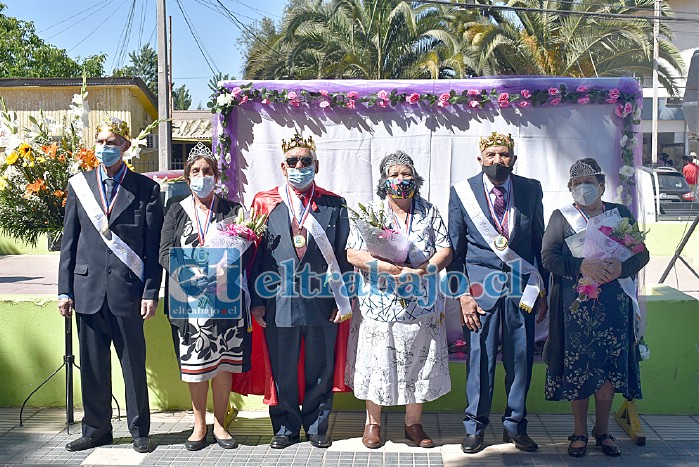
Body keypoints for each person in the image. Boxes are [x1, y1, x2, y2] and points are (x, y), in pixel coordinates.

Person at [57, 117, 163, 453]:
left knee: (133, 364)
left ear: (126, 147)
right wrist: (64, 289)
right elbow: (69, 243)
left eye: (112, 142)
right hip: (86, 290)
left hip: (128, 293)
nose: (105, 148)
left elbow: (151, 248)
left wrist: (150, 292)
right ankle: (96, 429)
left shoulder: (146, 189)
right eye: (101, 142)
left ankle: (139, 429)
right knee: (92, 366)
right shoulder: (80, 186)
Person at [248, 133, 352, 449]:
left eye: (306, 161)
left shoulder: (334, 204)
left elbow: (345, 255)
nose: (299, 166)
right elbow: (255, 257)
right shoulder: (266, 203)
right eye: (293, 161)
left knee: (320, 365)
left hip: (322, 299)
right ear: (283, 166)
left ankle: (318, 426)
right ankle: (285, 427)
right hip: (278, 299)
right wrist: (256, 301)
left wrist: (342, 299)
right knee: (283, 367)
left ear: (316, 165)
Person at [447, 132, 548, 454]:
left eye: (503, 154)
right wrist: (462, 295)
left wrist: (542, 289)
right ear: (480, 159)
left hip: (522, 289)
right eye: (490, 154)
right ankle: (475, 427)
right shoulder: (462, 193)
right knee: (480, 361)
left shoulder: (530, 189)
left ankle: (515, 426)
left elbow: (538, 241)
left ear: (513, 159)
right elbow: (454, 252)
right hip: (479, 291)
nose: (497, 160)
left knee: (521, 361)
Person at [345, 151, 453, 449]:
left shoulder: (429, 211)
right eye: (394, 174)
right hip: (379, 302)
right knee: (377, 359)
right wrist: (392, 269)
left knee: (419, 361)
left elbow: (445, 250)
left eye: (406, 174)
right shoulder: (369, 212)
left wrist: (421, 271)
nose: (400, 180)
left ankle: (413, 424)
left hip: (421, 302)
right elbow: (353, 253)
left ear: (415, 178)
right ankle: (373, 424)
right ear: (384, 180)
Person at [542, 158, 648, 458]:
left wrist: (622, 267)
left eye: (589, 182)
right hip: (576, 309)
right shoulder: (561, 218)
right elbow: (548, 257)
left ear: (602, 186)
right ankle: (579, 431)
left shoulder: (621, 215)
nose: (583, 188)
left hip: (614, 307)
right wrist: (580, 265)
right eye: (577, 184)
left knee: (607, 372)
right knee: (580, 370)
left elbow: (642, 254)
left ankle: (603, 431)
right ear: (569, 188)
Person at [158, 142, 251, 451]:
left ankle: (221, 424)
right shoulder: (175, 210)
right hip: (188, 298)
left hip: (225, 295)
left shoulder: (233, 210)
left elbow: (245, 251)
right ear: (187, 178)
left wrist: (223, 267)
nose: (202, 176)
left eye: (207, 171)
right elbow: (164, 253)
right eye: (196, 171)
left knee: (222, 363)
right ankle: (199, 424)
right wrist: (191, 272)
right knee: (196, 365)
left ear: (216, 176)